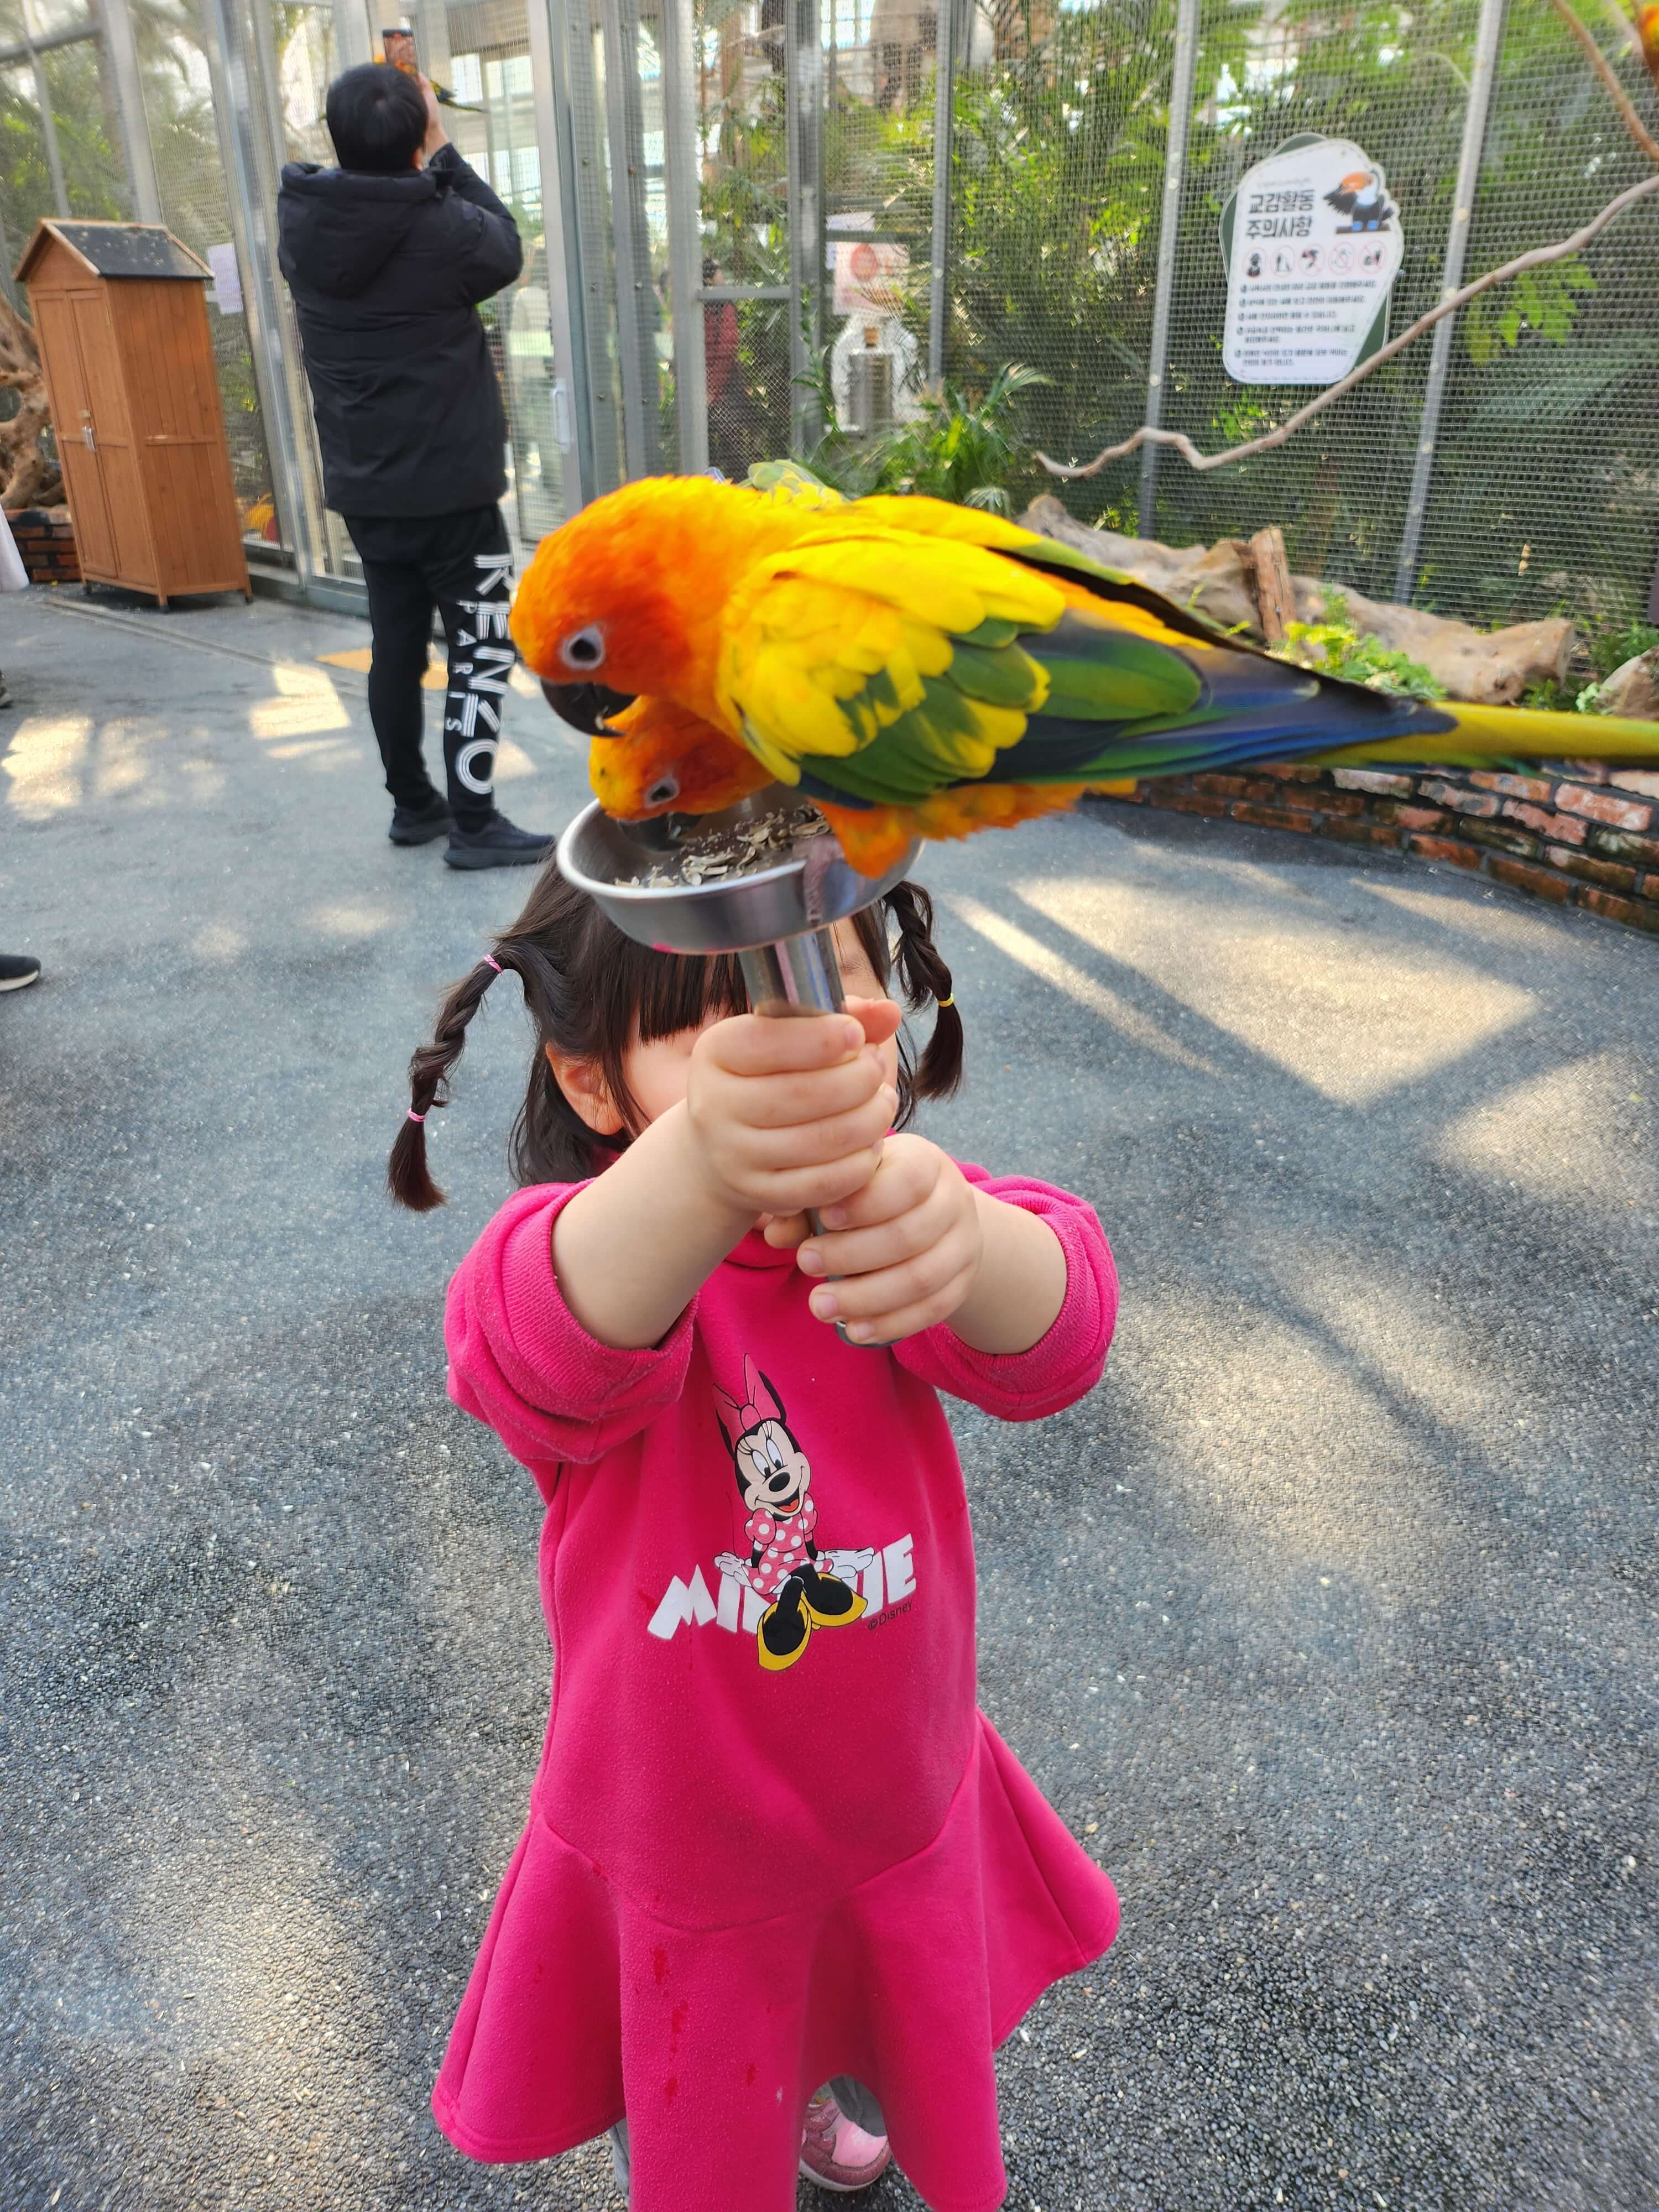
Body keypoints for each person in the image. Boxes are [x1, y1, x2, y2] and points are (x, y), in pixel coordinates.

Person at [388, 863, 1120, 2209]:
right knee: (701, 2085)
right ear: (595, 1083)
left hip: (896, 1786)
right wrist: (708, 1164)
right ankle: (757, 2116)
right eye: (722, 1018)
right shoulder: (606, 1265)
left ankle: (833, 2087)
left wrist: (964, 1236)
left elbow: (1063, 1334)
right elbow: (527, 1342)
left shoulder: (889, 1230)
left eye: (830, 979)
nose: (797, 1045)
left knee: (871, 2009)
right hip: (687, 1846)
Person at [278, 62, 552, 869]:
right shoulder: (442, 229)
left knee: (395, 644)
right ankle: (473, 821)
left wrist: (416, 153)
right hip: (454, 489)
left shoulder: (303, 221)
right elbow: (505, 247)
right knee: (480, 641)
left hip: (367, 487)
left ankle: (414, 806)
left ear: (336, 136)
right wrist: (444, 151)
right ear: (416, 132)